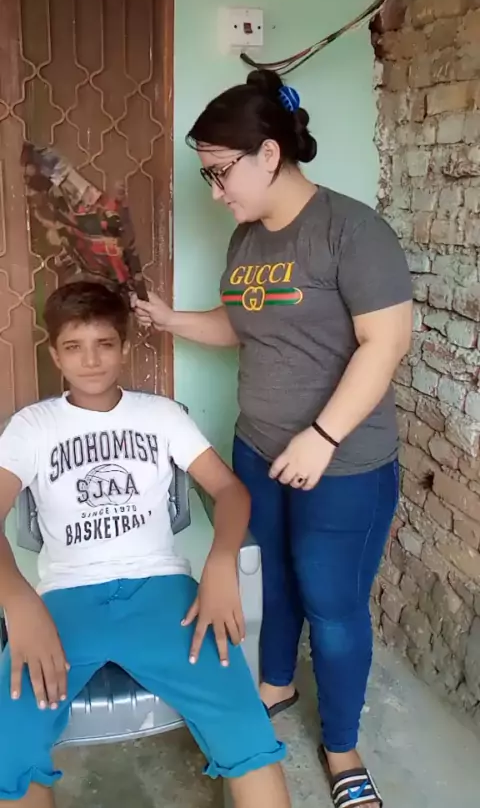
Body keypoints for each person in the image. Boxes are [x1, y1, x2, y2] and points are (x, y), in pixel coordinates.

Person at [133, 69, 413, 808]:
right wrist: (170, 319)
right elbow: (243, 324)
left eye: (219, 172)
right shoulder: (247, 240)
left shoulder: (353, 231)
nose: (215, 191)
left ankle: (343, 749)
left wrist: (322, 435)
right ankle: (276, 685)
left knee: (333, 606)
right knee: (274, 580)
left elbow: (385, 343)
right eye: (207, 175)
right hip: (258, 447)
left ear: (268, 154)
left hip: (343, 464)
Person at [0, 281, 290, 808]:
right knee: (8, 747)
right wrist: (18, 602)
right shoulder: (31, 427)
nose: (91, 360)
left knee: (246, 732)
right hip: (65, 602)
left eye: (104, 344)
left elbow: (229, 491)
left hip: (164, 596)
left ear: (125, 348)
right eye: (74, 347)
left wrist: (220, 562)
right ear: (54, 354)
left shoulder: (160, 416)